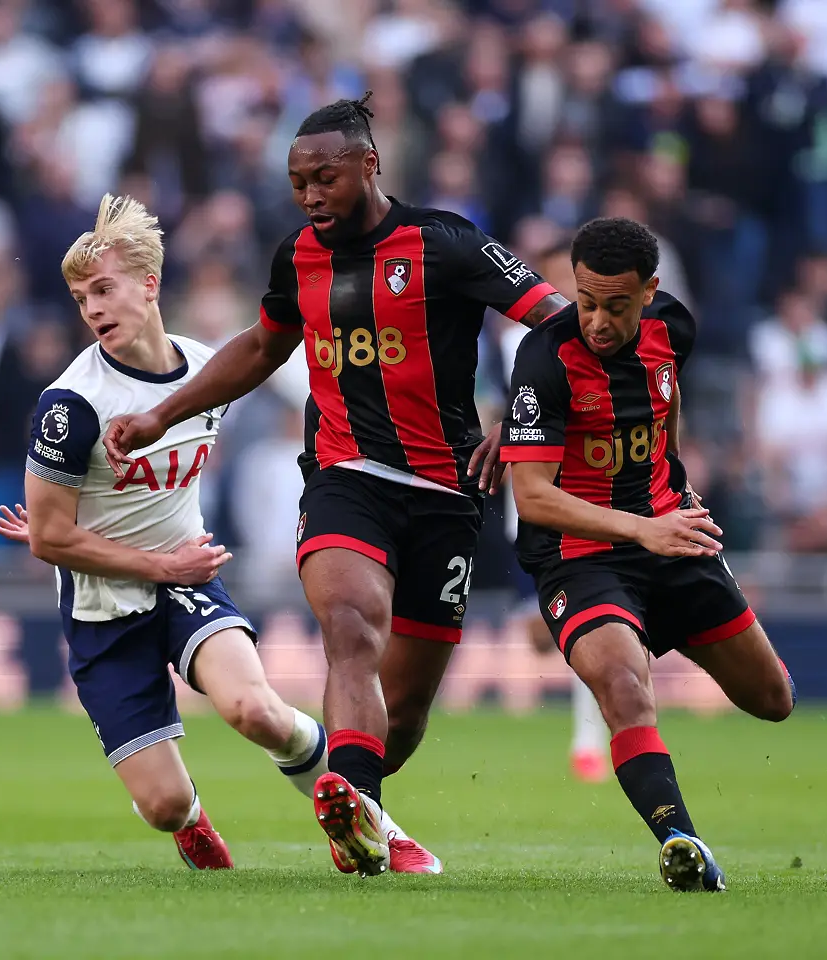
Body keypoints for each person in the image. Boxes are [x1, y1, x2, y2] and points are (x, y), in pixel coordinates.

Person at [103, 94, 569, 876]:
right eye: (297, 182)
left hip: (448, 492)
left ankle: (366, 808)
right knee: (350, 628)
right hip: (343, 475)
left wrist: (522, 422)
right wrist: (163, 414)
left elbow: (555, 321)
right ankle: (351, 811)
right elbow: (260, 348)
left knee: (408, 705)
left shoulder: (445, 243)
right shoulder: (297, 255)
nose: (311, 195)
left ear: (369, 164)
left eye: (325, 178)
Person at [0, 194, 428, 869]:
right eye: (81, 298)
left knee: (257, 712)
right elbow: (49, 540)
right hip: (106, 608)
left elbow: (314, 389)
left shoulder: (204, 369)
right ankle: (189, 818)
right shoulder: (70, 405)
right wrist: (153, 564)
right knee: (161, 804)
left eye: (103, 289)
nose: (93, 309)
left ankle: (375, 829)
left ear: (149, 285)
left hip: (187, 580)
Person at [499, 217, 795, 892]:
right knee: (624, 689)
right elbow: (534, 496)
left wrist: (675, 481)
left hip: (670, 536)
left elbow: (666, 403)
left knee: (772, 699)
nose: (598, 320)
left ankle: (663, 627)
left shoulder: (673, 328)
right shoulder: (543, 359)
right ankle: (680, 841)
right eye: (585, 301)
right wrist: (639, 529)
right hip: (580, 554)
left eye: (616, 305)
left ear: (649, 292)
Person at [498, 240, 608, 783]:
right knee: (541, 635)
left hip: (595, 492)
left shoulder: (607, 337)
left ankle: (589, 742)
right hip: (531, 493)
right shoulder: (510, 342)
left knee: (594, 614)